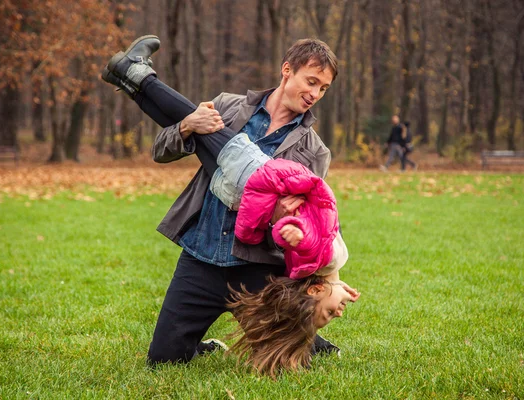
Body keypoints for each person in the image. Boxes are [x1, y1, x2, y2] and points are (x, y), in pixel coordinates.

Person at [101, 35, 354, 368]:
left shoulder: (315, 151)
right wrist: (188, 125)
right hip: (202, 256)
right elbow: (161, 150)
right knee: (163, 360)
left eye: (323, 88)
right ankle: (134, 76)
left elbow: (302, 215)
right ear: (287, 70)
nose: (315, 94)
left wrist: (286, 223)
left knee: (288, 358)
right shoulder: (229, 105)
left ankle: (135, 78)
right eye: (311, 81)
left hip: (255, 266)